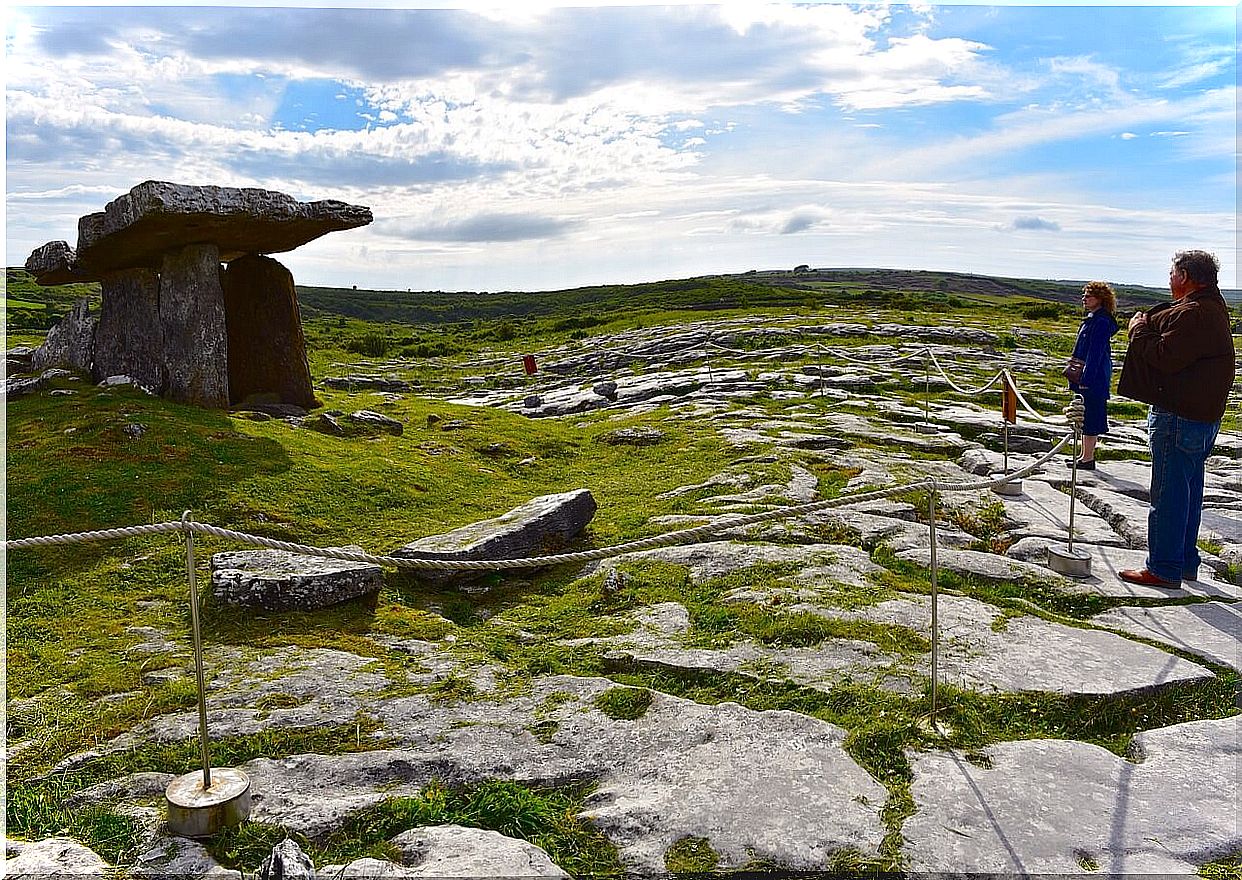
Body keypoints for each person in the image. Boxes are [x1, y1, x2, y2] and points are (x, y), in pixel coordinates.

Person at [1116, 250, 1236, 587]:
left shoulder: (1195, 312)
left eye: (1172, 272)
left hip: (1180, 415)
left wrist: (1138, 329)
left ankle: (1164, 567)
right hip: (1201, 416)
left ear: (1184, 276)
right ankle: (1183, 561)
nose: (1169, 279)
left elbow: (1164, 358)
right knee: (1188, 491)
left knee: (1169, 493)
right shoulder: (1213, 307)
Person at [1067, 281, 1119, 469]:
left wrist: (1086, 379)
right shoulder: (1094, 318)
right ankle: (1083, 456)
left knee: (1091, 416)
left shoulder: (1101, 322)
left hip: (1093, 378)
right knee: (1083, 414)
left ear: (1100, 299)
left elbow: (1095, 353)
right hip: (1087, 375)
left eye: (1088, 296)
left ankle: (1088, 458)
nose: (1084, 299)